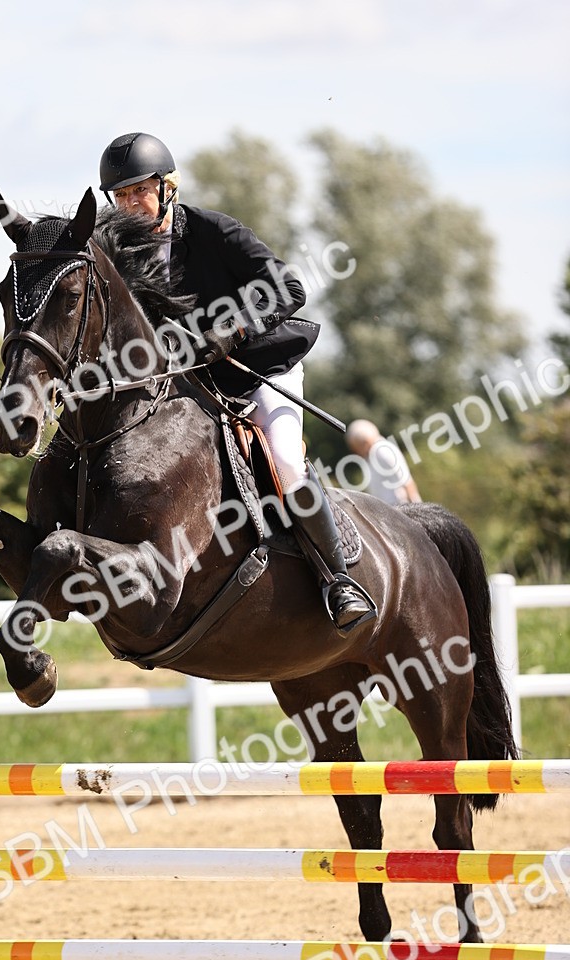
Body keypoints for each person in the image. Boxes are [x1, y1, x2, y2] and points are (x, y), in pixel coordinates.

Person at [99, 132, 376, 636]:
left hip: (259, 370)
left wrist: (233, 329)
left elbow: (288, 288)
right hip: (189, 383)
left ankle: (337, 580)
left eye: (140, 190)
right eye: (120, 196)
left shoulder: (211, 230)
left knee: (287, 460)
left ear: (168, 188)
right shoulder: (117, 249)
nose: (131, 204)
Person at [345, 420, 422, 506]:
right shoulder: (371, 456)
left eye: (356, 448)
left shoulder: (382, 451)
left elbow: (407, 483)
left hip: (399, 510)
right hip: (387, 512)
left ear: (365, 443)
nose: (356, 453)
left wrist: (418, 512)